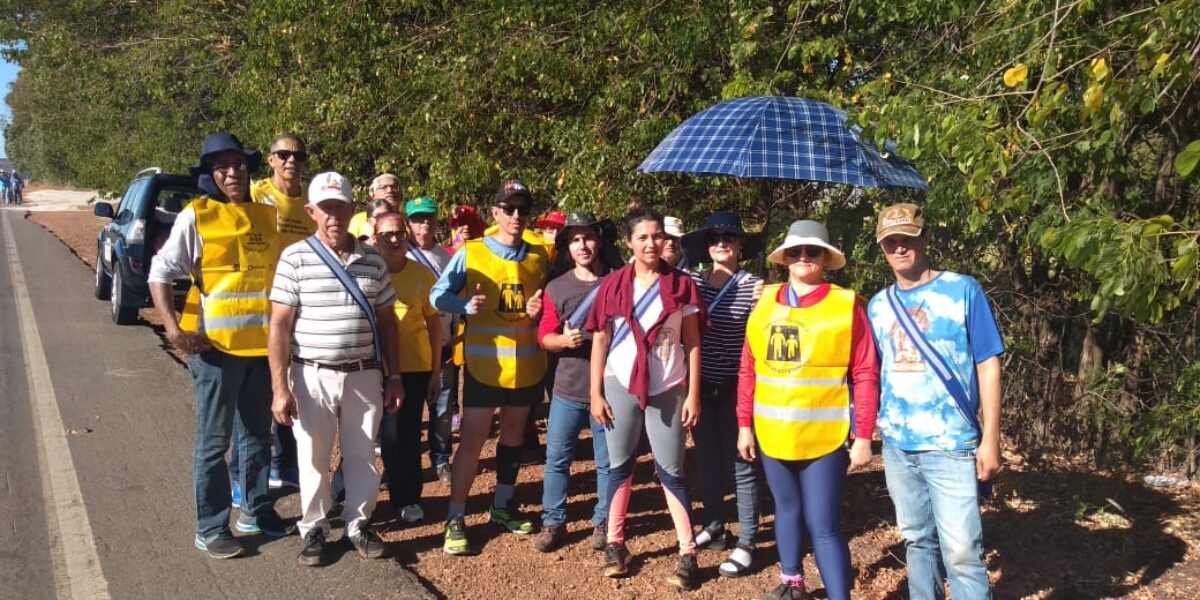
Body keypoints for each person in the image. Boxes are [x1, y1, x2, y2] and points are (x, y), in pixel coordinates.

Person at [148, 132, 293, 559]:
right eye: (222, 167)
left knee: (256, 438)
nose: (232, 172)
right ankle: (211, 527)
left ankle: (254, 510)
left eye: (238, 164)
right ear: (210, 175)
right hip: (214, 349)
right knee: (214, 443)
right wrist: (172, 328)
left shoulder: (267, 217)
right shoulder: (198, 215)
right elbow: (161, 271)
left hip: (259, 350)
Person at [735, 220, 879, 600]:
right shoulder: (763, 303)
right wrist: (743, 424)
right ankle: (791, 581)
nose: (803, 258)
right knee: (786, 510)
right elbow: (749, 368)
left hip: (823, 437)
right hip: (772, 432)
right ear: (784, 258)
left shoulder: (846, 306)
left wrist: (863, 435)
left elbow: (865, 373)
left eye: (812, 251)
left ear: (826, 258)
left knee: (823, 524)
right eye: (795, 251)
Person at [267, 171, 405, 566]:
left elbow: (387, 321)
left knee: (361, 453)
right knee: (313, 454)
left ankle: (357, 523)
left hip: (364, 373)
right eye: (326, 208)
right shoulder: (294, 257)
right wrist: (280, 387)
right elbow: (279, 324)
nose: (334, 216)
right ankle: (312, 527)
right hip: (311, 373)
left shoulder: (373, 260)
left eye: (340, 207)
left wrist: (393, 375)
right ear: (312, 211)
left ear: (351, 211)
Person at [867, 203, 1004, 600]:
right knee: (917, 544)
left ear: (924, 238)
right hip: (897, 446)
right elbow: (872, 373)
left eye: (908, 239)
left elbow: (988, 364)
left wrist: (990, 437)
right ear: (882, 248)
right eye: (891, 242)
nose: (900, 248)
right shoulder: (877, 306)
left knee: (962, 553)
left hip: (951, 445)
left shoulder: (962, 290)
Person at [586, 208, 707, 591]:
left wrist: (692, 394)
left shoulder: (681, 285)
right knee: (620, 466)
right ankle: (615, 543)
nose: (652, 244)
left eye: (658, 237)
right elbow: (600, 340)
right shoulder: (614, 285)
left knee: (671, 469)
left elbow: (693, 342)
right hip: (619, 381)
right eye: (643, 237)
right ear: (629, 243)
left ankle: (688, 552)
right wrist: (595, 393)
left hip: (668, 385)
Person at [429, 179, 549, 556]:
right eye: (508, 208)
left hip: (527, 365)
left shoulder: (538, 255)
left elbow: (549, 303)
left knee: (513, 438)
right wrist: (464, 307)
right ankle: (455, 516)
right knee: (473, 442)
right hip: (484, 365)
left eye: (523, 209)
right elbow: (437, 296)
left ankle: (502, 505)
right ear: (494, 212)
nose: (516, 216)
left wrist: (539, 310)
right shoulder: (473, 252)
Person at [679, 211, 764, 576]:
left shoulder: (755, 287)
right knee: (708, 461)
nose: (721, 243)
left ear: (741, 244)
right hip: (700, 387)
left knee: (741, 463)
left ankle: (748, 540)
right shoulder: (693, 282)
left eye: (729, 237)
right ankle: (715, 526)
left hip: (736, 386)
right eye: (715, 238)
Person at [532, 212, 613, 554]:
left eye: (588, 237)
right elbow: (544, 337)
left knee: (607, 462)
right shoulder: (557, 286)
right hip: (566, 389)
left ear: (598, 241)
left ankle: (605, 520)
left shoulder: (617, 281)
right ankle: (553, 520)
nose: (583, 245)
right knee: (557, 459)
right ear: (567, 245)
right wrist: (562, 342)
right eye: (575, 239)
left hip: (608, 390)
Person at [370, 212, 442, 523]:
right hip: (373, 367)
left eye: (400, 233)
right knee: (381, 435)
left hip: (415, 367)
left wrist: (436, 371)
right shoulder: (368, 274)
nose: (396, 239)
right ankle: (354, 494)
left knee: (407, 435)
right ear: (376, 238)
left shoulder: (422, 276)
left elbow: (435, 326)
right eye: (388, 234)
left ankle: (408, 497)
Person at [404, 195, 456, 485]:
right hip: (409, 348)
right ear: (408, 222)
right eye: (417, 218)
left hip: (443, 345)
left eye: (428, 217)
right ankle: (403, 465)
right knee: (407, 412)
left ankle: (441, 459)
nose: (424, 224)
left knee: (443, 408)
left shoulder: (447, 257)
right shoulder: (401, 255)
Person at [348, 173, 402, 239]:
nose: (390, 190)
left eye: (394, 187)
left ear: (401, 194)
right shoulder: (358, 221)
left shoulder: (409, 220)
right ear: (372, 194)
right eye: (383, 187)